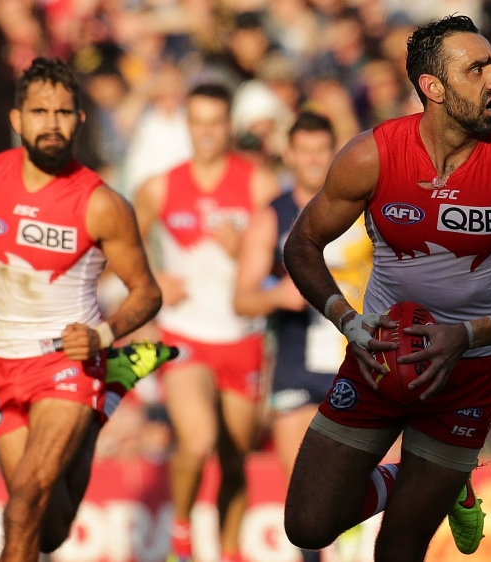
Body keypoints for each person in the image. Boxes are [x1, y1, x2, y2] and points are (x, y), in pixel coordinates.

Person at [281, 16, 491, 562]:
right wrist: (348, 321)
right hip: (379, 357)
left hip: (469, 369)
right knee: (307, 525)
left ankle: (437, 482)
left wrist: (466, 336)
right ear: (433, 87)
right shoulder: (372, 155)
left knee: (399, 547)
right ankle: (424, 481)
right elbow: (301, 244)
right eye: (476, 69)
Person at [0, 57, 177, 562]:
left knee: (21, 505)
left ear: (79, 120)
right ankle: (97, 416)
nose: (51, 123)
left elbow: (146, 292)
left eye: (63, 112)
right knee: (47, 529)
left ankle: (98, 386)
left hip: (67, 365)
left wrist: (102, 337)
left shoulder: (102, 204)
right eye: (39, 111)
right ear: (17, 118)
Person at [132, 83, 279, 562]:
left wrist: (246, 252)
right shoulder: (160, 186)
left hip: (242, 337)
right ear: (188, 126)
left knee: (235, 460)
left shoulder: (258, 184)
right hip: (185, 335)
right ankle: (181, 537)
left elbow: (287, 258)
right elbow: (120, 243)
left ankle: (230, 552)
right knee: (197, 441)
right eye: (199, 123)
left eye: (216, 122)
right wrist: (152, 280)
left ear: (229, 125)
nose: (207, 133)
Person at [233, 112, 372, 562]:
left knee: (349, 484)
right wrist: (278, 296)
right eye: (304, 151)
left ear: (334, 152)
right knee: (303, 493)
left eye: (321, 150)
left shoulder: (362, 208)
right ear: (289, 155)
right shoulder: (273, 216)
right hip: (295, 361)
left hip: (354, 358)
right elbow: (242, 298)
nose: (313, 160)